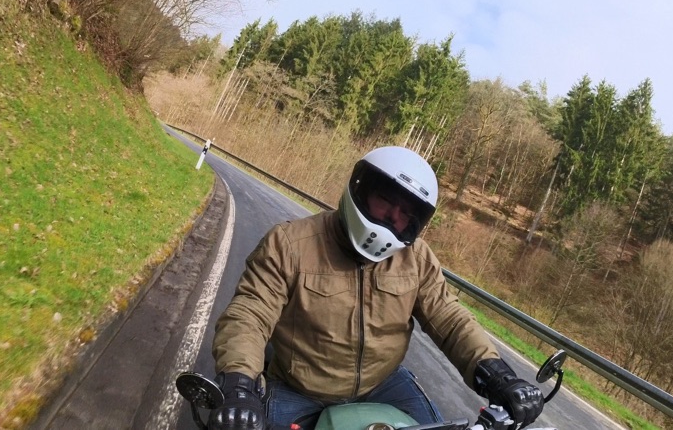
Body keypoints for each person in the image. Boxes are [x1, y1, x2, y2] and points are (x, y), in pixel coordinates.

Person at [210, 146, 544, 430]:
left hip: (383, 384)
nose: (395, 217)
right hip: (300, 387)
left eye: (407, 213)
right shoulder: (289, 244)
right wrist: (238, 384)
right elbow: (249, 314)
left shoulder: (417, 259)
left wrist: (499, 376)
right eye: (385, 199)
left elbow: (451, 320)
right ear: (361, 189)